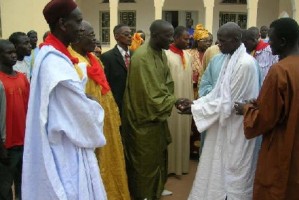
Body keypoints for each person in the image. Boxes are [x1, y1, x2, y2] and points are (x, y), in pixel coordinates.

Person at [22, 1, 107, 199]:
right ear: (62, 23)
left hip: (65, 144)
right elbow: (83, 119)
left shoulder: (53, 56)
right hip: (67, 152)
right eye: (77, 21)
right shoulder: (55, 64)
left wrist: (83, 97)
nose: (81, 27)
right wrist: (93, 104)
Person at [178, 22, 261, 200]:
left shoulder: (245, 64)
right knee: (217, 172)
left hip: (237, 130)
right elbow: (217, 93)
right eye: (218, 40)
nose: (218, 45)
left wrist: (195, 109)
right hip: (224, 126)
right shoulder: (228, 59)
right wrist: (195, 103)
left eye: (222, 41)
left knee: (234, 176)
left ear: (236, 40)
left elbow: (229, 104)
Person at [234, 17, 299, 200]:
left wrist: (247, 108)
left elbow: (266, 118)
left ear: (283, 41)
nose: (269, 43)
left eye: (272, 39)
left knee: (275, 188)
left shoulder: (280, 71)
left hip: (282, 144)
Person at [69, 21, 130, 200]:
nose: (95, 39)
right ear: (79, 36)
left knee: (112, 162)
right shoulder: (72, 62)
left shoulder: (93, 58)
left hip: (107, 122)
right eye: (91, 34)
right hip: (88, 126)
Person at [122, 19, 183, 199]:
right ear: (155, 36)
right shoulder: (142, 57)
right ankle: (144, 195)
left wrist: (169, 98)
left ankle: (155, 189)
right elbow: (149, 96)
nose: (171, 40)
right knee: (144, 164)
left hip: (157, 118)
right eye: (168, 36)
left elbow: (167, 83)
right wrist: (173, 100)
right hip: (143, 121)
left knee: (158, 158)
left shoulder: (161, 54)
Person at [0, 39, 29, 200]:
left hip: (24, 142)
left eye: (13, 52)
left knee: (23, 185)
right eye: (8, 52)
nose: (13, 55)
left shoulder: (22, 78)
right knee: (5, 188)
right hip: (6, 146)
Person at [165, 26, 193, 175]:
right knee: (172, 131)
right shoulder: (166, 55)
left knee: (183, 131)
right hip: (172, 102)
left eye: (189, 39)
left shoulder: (188, 55)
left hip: (185, 101)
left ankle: (182, 166)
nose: (188, 41)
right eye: (185, 38)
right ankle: (170, 168)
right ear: (175, 38)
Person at [101, 24, 132, 115]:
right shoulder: (107, 57)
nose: (130, 36)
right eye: (126, 34)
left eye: (130, 34)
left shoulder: (135, 55)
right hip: (117, 104)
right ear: (116, 36)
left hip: (133, 105)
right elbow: (105, 83)